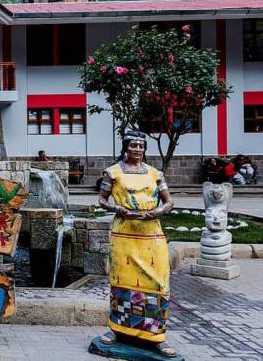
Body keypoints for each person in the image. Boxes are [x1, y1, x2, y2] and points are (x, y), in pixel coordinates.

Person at [97, 131, 176, 357]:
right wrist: (117, 208)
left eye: (141, 146)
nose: (138, 150)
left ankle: (157, 336)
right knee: (122, 280)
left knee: (158, 281)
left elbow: (169, 201)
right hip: (124, 234)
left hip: (151, 233)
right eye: (133, 145)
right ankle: (118, 330)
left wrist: (158, 211)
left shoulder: (155, 174)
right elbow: (101, 200)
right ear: (125, 147)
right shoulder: (113, 172)